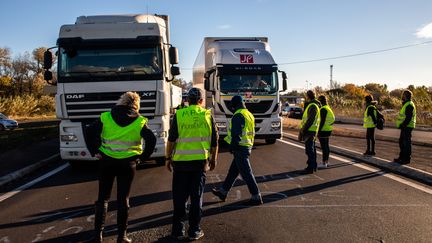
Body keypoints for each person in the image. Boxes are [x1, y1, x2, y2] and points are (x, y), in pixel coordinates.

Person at [85, 91, 156, 243]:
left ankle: (97, 236)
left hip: (106, 161)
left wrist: (94, 150)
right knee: (123, 199)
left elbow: (89, 131)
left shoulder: (106, 117)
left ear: (121, 102)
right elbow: (152, 139)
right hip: (128, 164)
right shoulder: (140, 121)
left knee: (102, 198)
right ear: (136, 105)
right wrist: (142, 158)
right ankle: (122, 237)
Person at [165, 88, 219, 241]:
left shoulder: (180, 115)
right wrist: (213, 159)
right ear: (201, 101)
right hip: (199, 164)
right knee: (196, 198)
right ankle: (194, 230)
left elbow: (172, 139)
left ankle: (178, 230)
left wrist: (168, 158)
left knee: (179, 198)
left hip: (180, 163)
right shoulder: (208, 115)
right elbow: (215, 141)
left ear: (187, 100)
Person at [212, 95, 263, 206]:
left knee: (247, 173)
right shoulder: (249, 114)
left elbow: (236, 134)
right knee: (233, 172)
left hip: (240, 147)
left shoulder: (238, 115)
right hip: (246, 145)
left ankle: (256, 196)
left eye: (233, 105)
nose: (232, 108)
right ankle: (223, 192)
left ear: (236, 104)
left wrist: (232, 147)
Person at [298, 90, 321, 174]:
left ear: (308, 96)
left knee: (309, 150)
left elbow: (310, 120)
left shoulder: (313, 106)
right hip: (312, 130)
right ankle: (313, 166)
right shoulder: (314, 105)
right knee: (312, 149)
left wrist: (303, 129)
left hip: (310, 131)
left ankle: (310, 168)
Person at [394, 90, 416, 164]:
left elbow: (408, 117)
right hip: (405, 126)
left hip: (407, 126)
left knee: (406, 143)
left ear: (406, 96)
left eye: (403, 95)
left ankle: (406, 159)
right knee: (402, 142)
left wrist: (403, 125)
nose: (402, 96)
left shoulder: (409, 104)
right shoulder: (406, 104)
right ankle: (402, 157)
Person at [317, 95, 335, 168]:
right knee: (326, 146)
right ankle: (326, 162)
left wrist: (318, 130)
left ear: (320, 101)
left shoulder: (323, 109)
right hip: (328, 130)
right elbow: (333, 119)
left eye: (318, 101)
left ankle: (324, 163)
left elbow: (322, 121)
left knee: (324, 147)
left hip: (323, 130)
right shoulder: (328, 108)